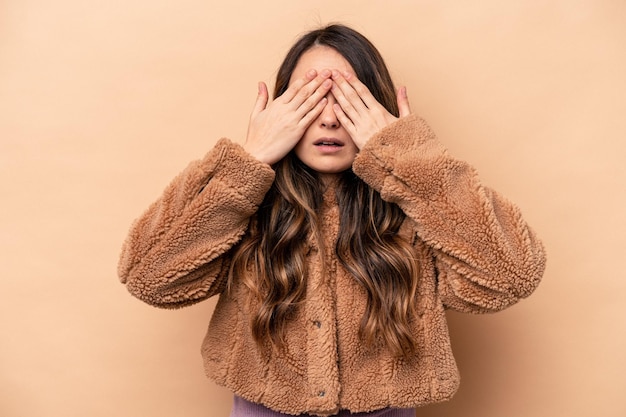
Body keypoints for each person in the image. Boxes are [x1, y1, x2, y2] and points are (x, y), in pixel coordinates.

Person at [118, 24, 546, 417]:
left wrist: (408, 157)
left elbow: (511, 275)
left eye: (345, 98)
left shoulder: (416, 211)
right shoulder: (241, 203)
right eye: (311, 97)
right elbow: (147, 276)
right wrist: (247, 161)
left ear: (374, 107)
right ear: (280, 108)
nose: (328, 118)